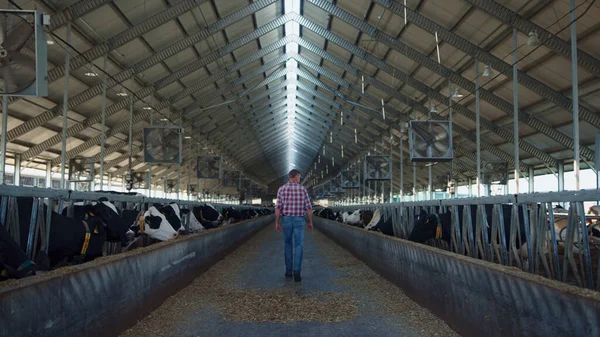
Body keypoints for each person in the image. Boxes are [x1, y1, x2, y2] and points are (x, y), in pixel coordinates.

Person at [275, 169, 313, 282]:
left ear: (289, 176)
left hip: (286, 219)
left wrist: (276, 222)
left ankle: (288, 272)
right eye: (299, 177)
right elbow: (309, 208)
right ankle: (297, 271)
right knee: (298, 245)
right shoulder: (302, 190)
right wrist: (310, 221)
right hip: (299, 220)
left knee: (287, 245)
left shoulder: (281, 189)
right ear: (296, 176)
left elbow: (278, 208)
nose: (299, 179)